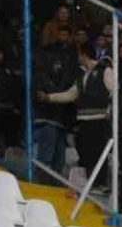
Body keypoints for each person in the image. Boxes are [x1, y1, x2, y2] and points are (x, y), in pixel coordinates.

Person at [40, 45, 115, 190]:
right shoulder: (82, 77)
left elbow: (115, 91)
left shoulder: (105, 70)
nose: (78, 58)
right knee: (86, 152)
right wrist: (48, 97)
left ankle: (101, 184)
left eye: (79, 55)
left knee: (98, 151)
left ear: (84, 55)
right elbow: (70, 95)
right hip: (84, 120)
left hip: (99, 118)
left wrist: (110, 109)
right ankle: (92, 182)